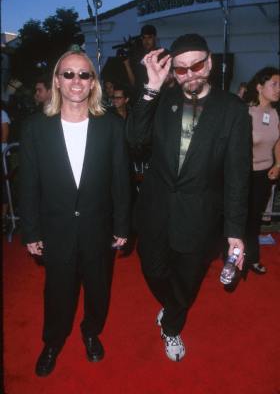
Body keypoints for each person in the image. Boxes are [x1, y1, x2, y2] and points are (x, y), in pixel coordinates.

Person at [127, 34, 251, 362]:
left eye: (196, 65)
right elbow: (135, 141)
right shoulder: (163, 100)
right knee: (152, 270)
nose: (190, 75)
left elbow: (238, 175)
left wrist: (235, 231)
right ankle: (172, 307)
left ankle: (171, 326)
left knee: (186, 282)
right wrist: (151, 87)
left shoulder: (233, 110)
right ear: (172, 73)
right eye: (180, 70)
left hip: (199, 217)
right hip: (155, 210)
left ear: (210, 62)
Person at [19, 50, 130, 376]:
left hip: (99, 227)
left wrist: (122, 224)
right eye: (68, 74)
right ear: (57, 80)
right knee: (57, 291)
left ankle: (91, 332)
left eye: (84, 75)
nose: (76, 81)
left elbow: (121, 180)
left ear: (93, 82)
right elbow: (29, 185)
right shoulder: (37, 128)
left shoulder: (109, 126)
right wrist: (31, 231)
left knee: (98, 288)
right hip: (56, 229)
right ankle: (53, 341)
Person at [242, 67, 280, 274]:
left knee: (254, 220)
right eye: (274, 84)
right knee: (241, 218)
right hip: (245, 174)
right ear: (259, 87)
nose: (279, 89)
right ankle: (235, 257)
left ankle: (252, 258)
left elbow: (278, 143)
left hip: (265, 174)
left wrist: (278, 165)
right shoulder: (245, 112)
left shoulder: (275, 113)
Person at [123, 25, 158, 96]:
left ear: (155, 38)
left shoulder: (162, 54)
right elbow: (133, 82)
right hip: (140, 95)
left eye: (149, 37)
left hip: (158, 96)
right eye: (144, 38)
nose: (146, 41)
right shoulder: (136, 56)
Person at [1, 105, 11, 232]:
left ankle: (4, 219)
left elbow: (4, 137)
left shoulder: (2, 113)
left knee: (4, 188)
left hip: (1, 155)